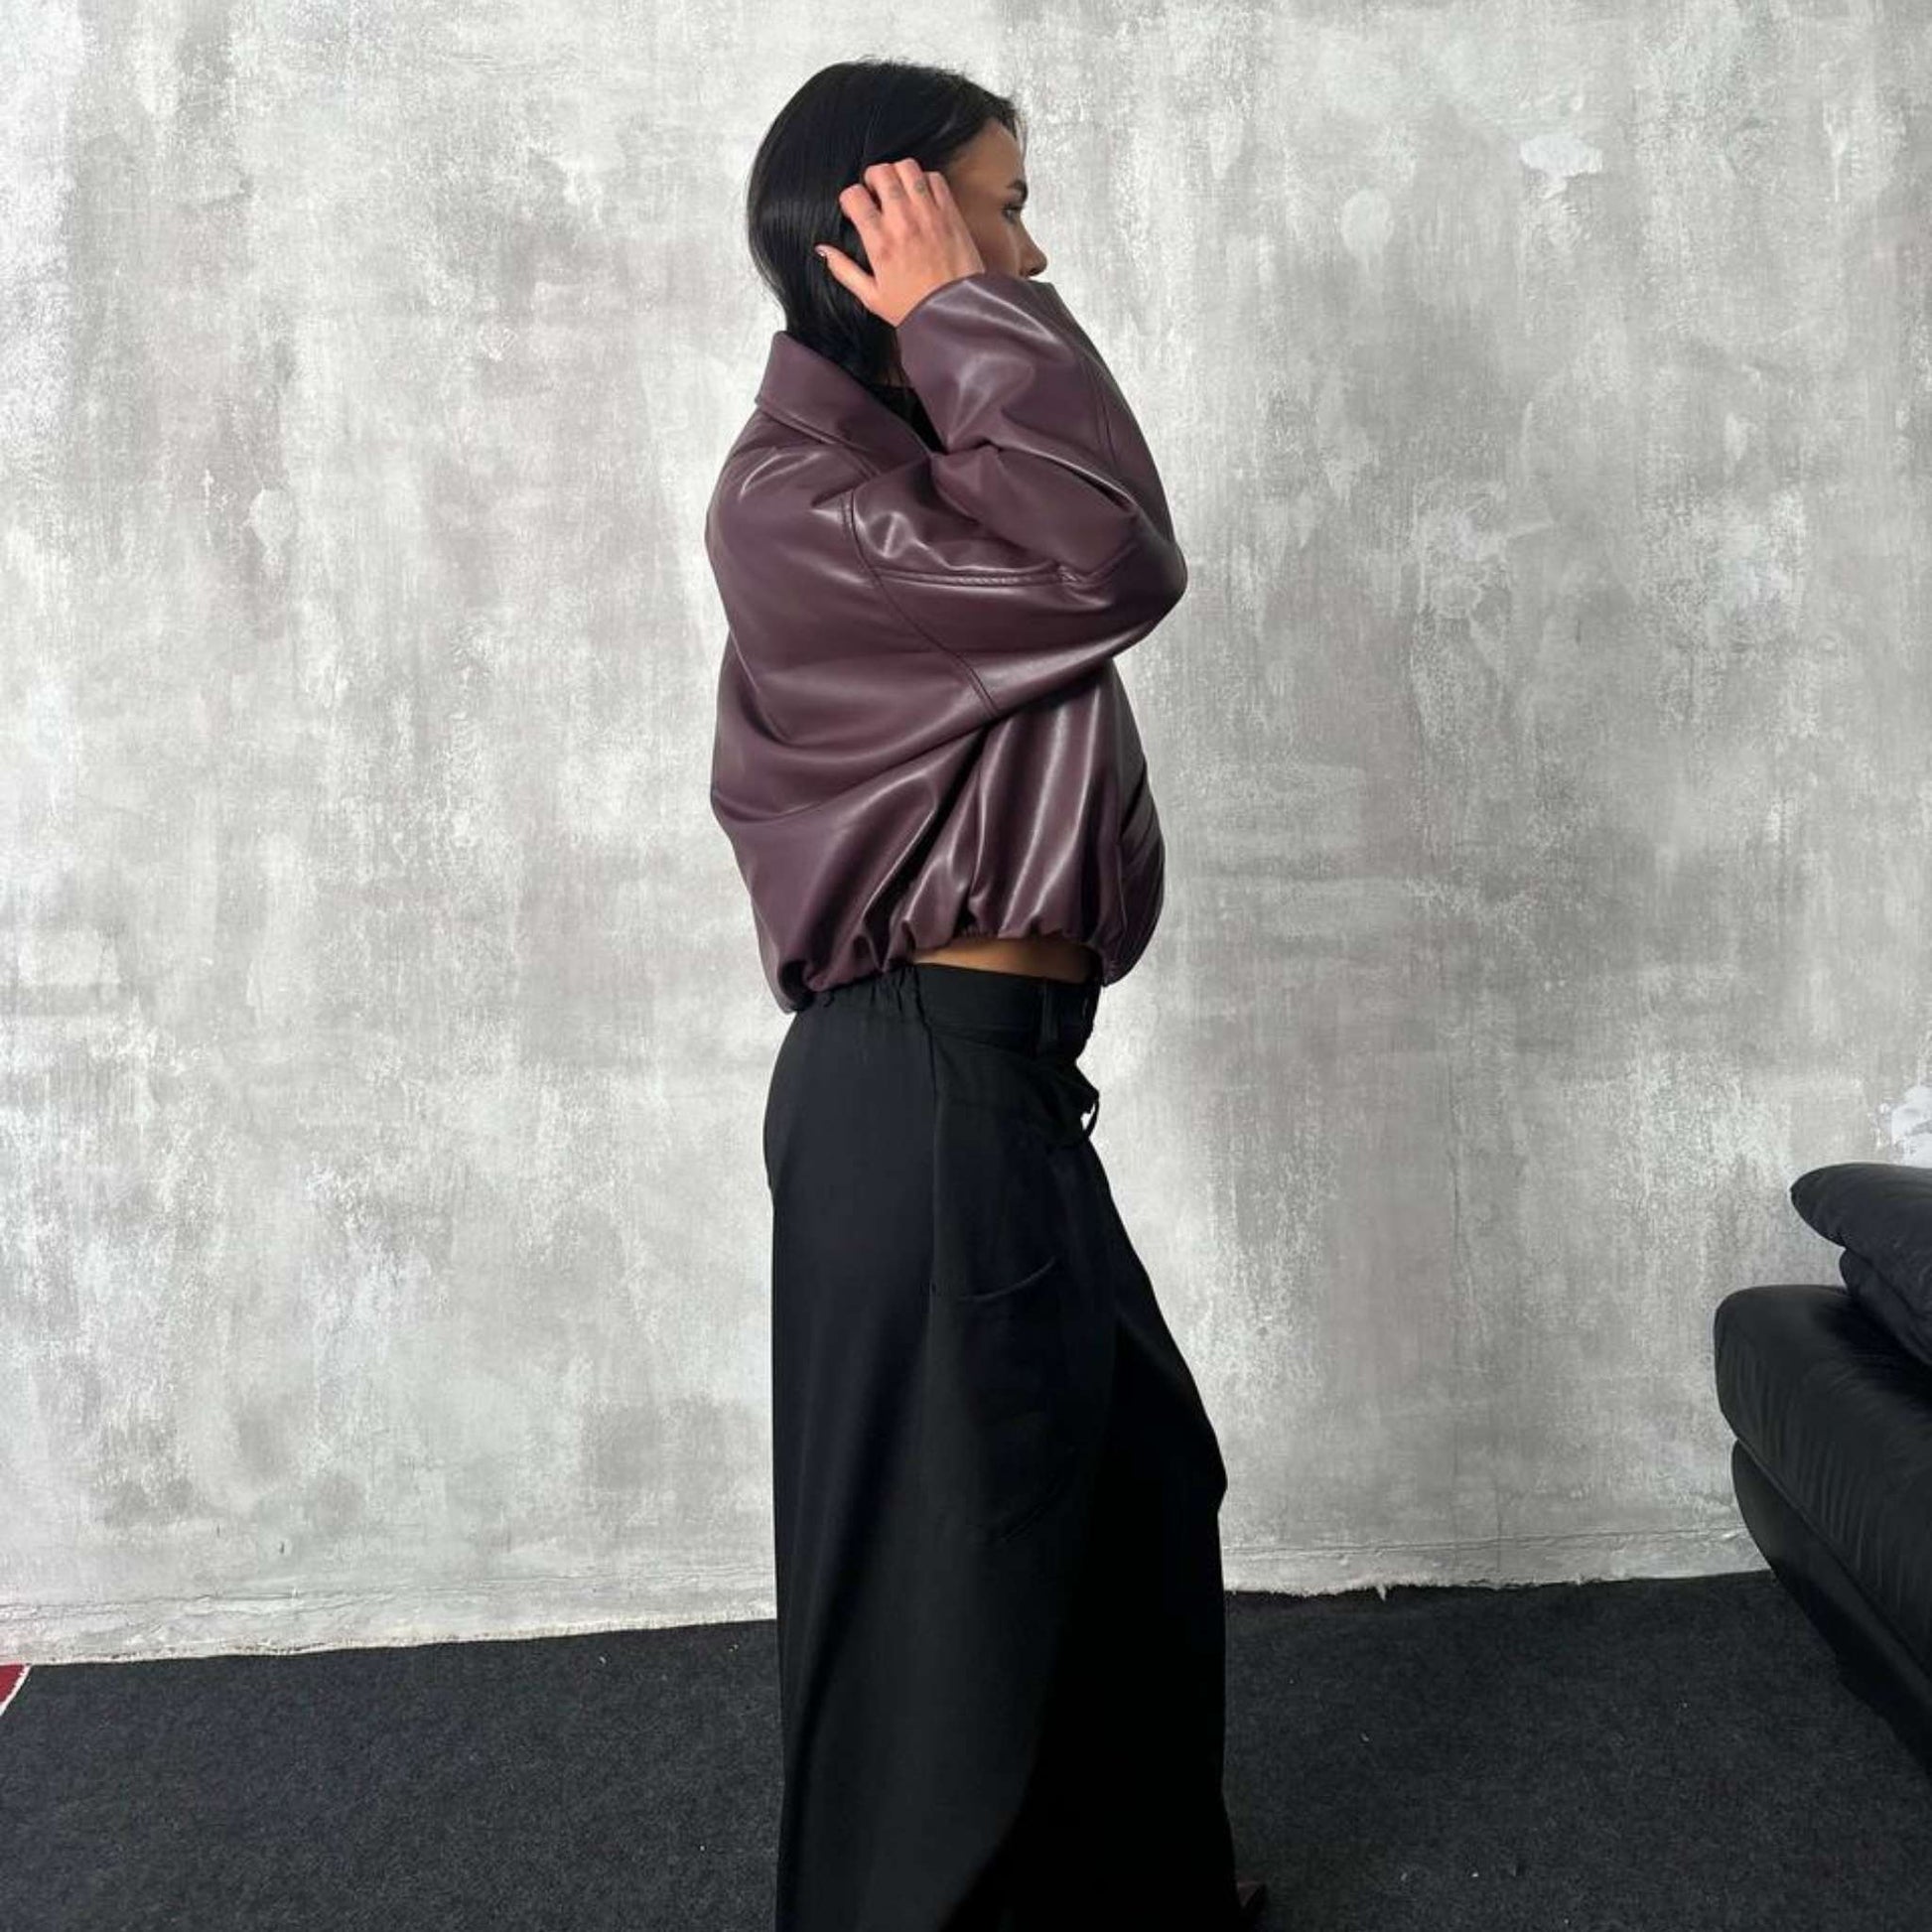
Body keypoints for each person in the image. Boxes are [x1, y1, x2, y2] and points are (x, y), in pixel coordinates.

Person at [705, 56, 1269, 1932]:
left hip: (999, 1087)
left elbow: (1076, 534)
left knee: (1130, 1491)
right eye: (997, 210)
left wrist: (965, 324)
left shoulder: (931, 467)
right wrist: (963, 307)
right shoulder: (796, 499)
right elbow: (1111, 556)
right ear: (879, 225)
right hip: (918, 1086)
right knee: (937, 1609)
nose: (1028, 255)